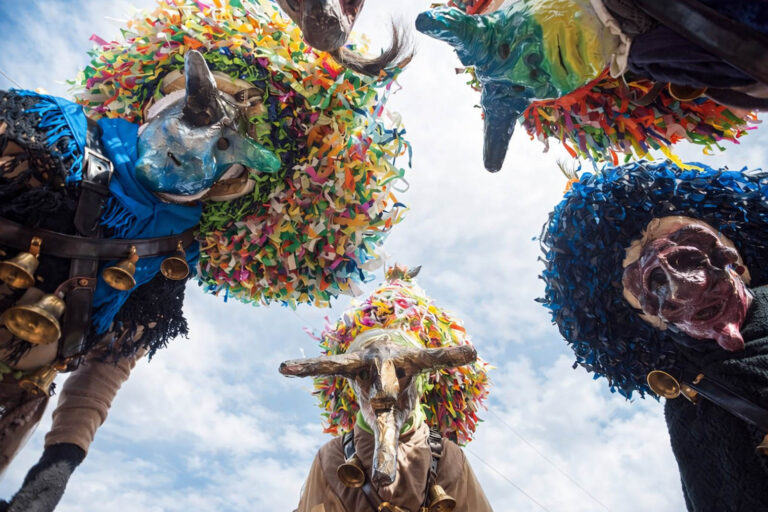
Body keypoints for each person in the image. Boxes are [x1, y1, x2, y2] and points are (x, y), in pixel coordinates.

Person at [540, 160, 768, 511]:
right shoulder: (693, 410)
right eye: (652, 282)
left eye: (686, 250)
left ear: (735, 257)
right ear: (649, 319)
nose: (680, 286)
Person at [281, 267, 493, 512]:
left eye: (401, 373)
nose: (382, 390)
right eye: (365, 374)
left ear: (421, 384)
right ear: (351, 386)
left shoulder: (448, 458)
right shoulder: (330, 459)